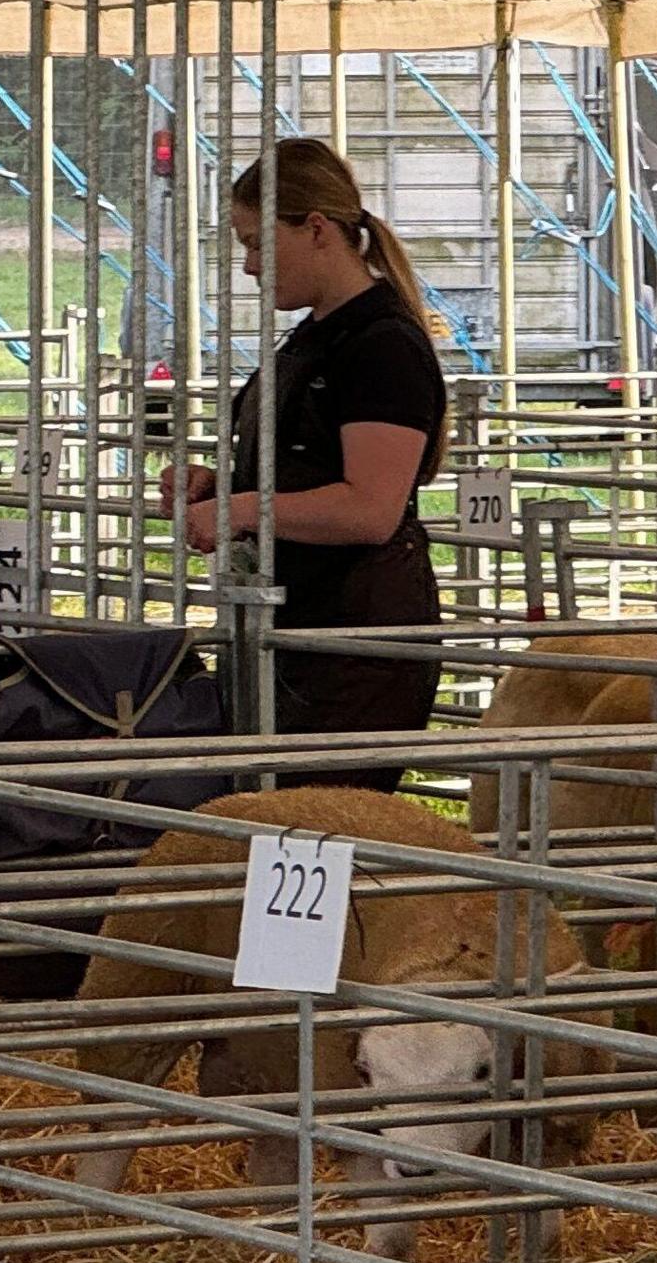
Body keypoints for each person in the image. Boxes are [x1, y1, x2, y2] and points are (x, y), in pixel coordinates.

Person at [164, 139, 447, 790]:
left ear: (316, 229)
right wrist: (225, 483)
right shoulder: (321, 336)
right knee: (273, 820)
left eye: (259, 243)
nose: (250, 266)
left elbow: (371, 509)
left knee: (315, 826)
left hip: (356, 645)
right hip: (299, 628)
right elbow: (308, 468)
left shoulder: (382, 346)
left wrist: (238, 508)